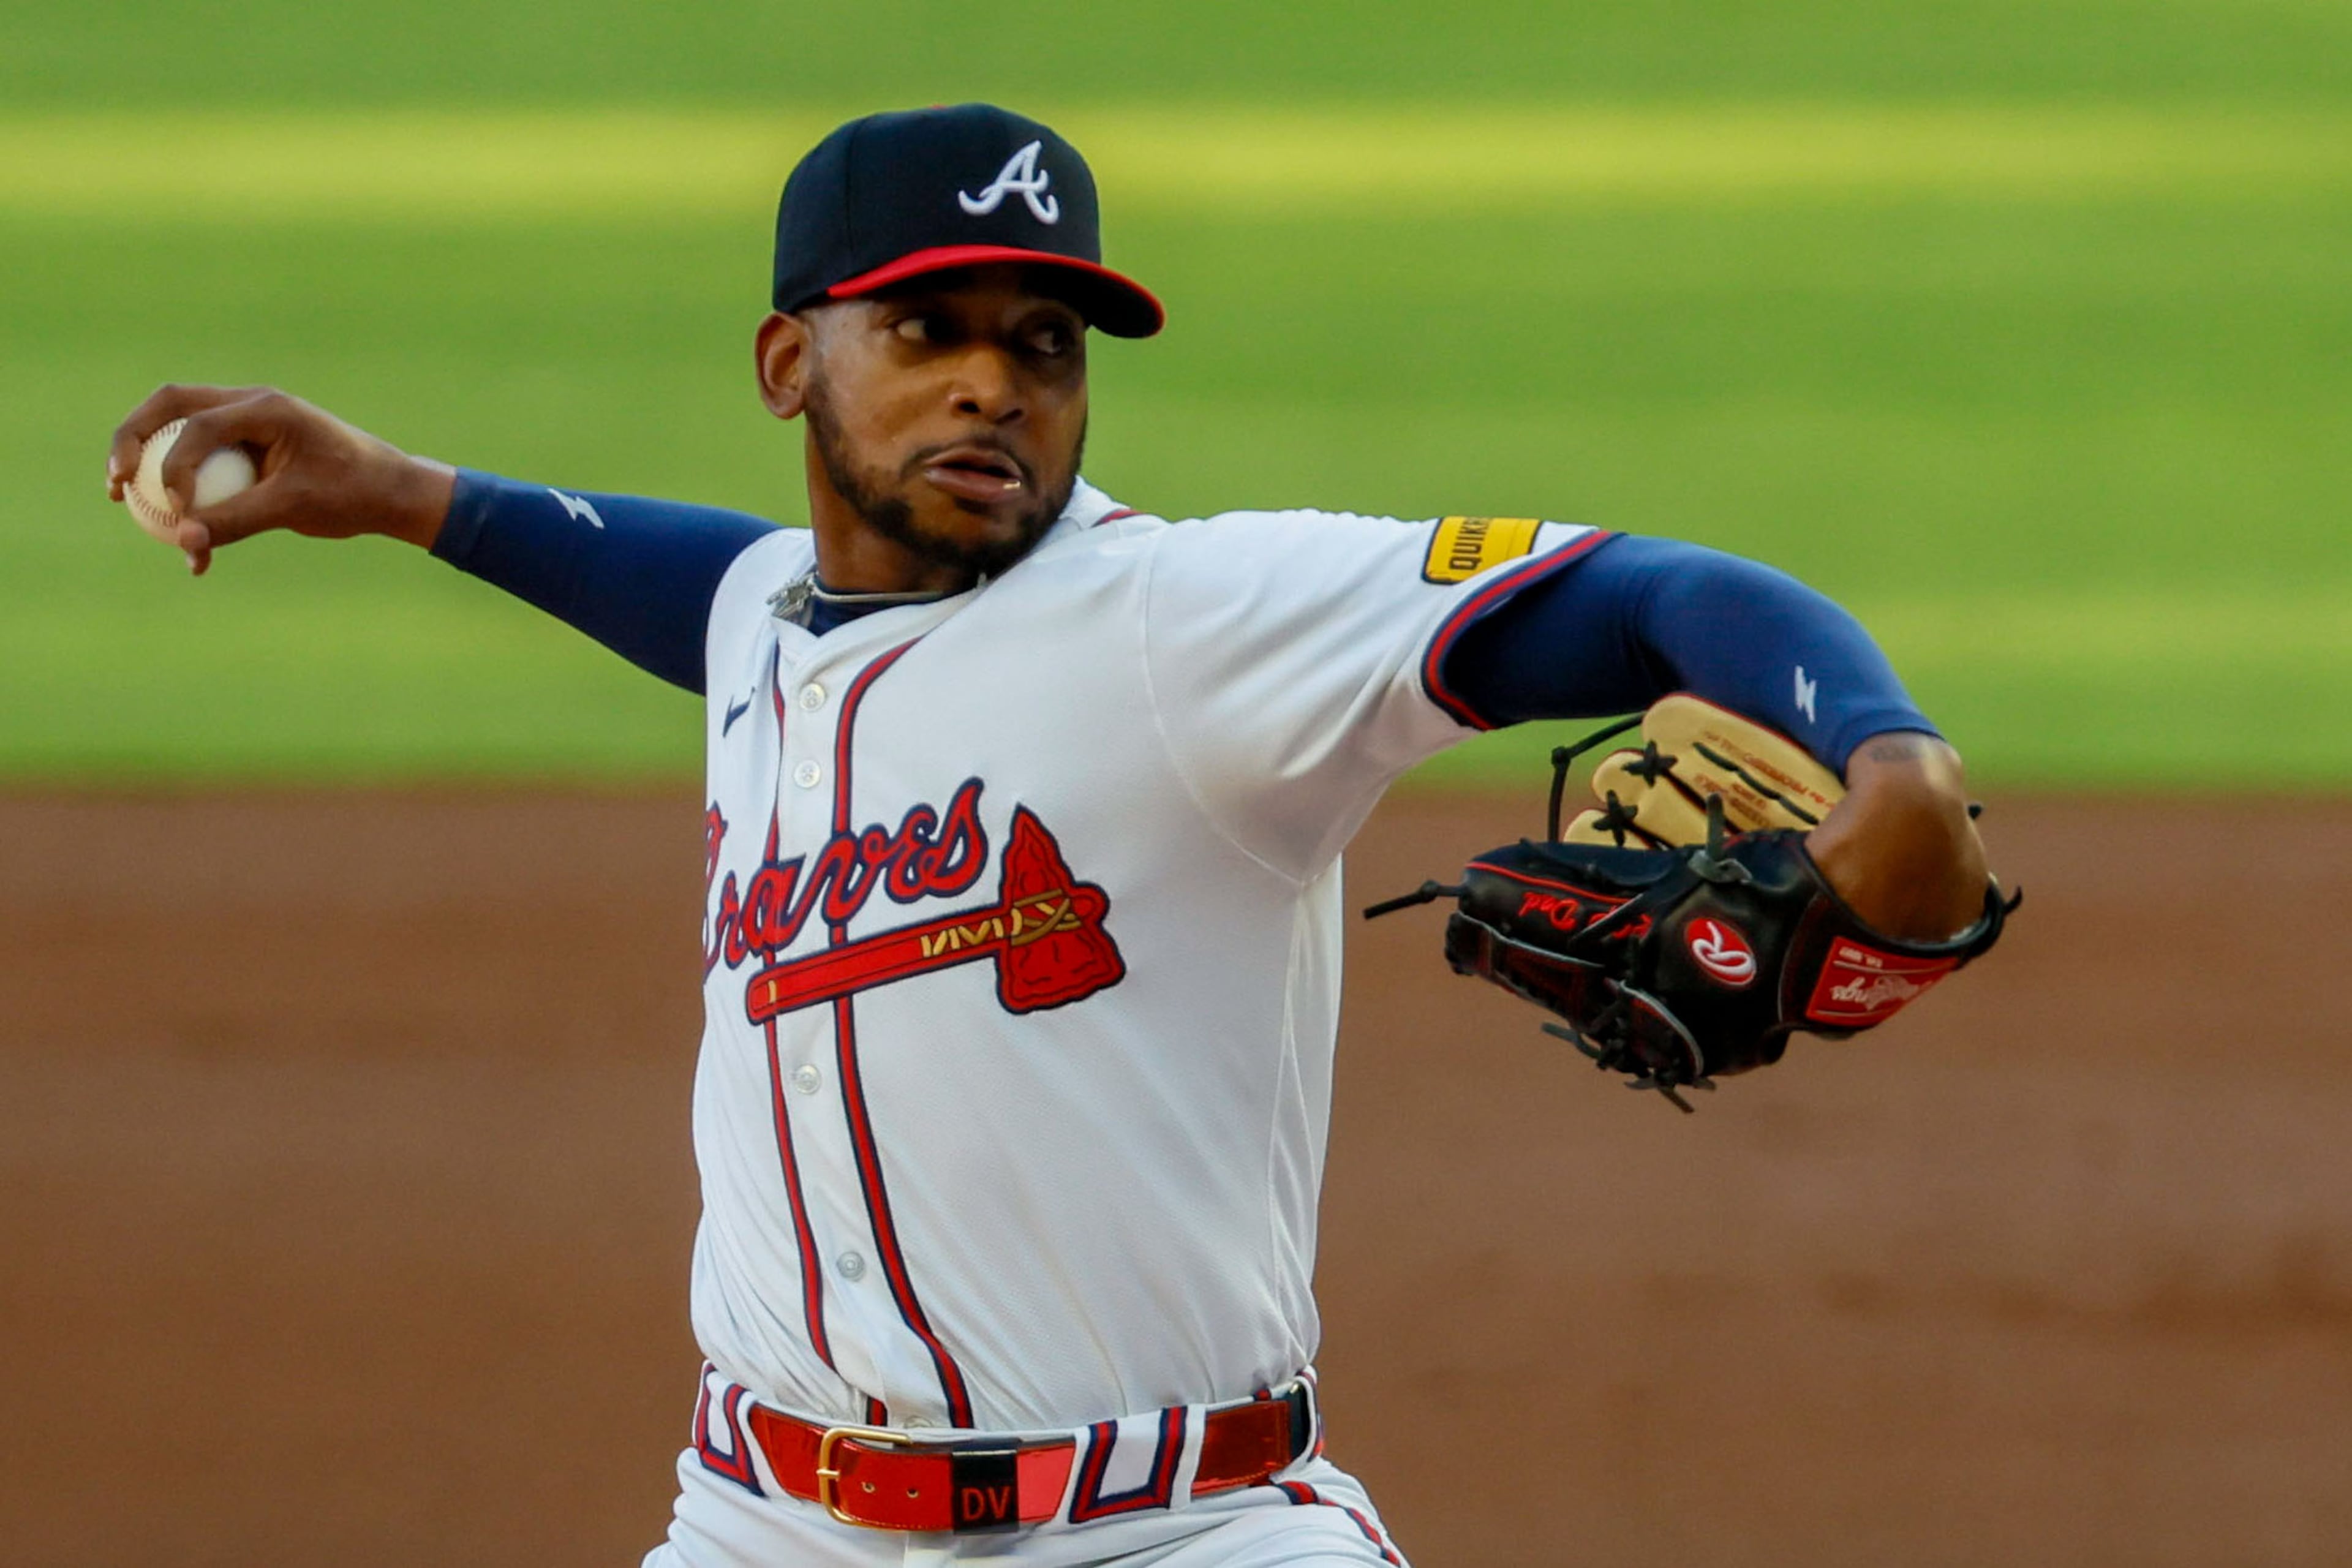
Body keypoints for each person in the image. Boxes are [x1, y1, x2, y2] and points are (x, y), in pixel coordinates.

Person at [107, 104, 1990, 1567]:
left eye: (1044, 343)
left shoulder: (1196, 625)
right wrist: (413, 495)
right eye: (924, 331)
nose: (995, 382)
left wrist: (1892, 763)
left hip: (1184, 1525)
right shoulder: (772, 621)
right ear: (790, 366)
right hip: (767, 1520)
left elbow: (1665, 590)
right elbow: (714, 587)